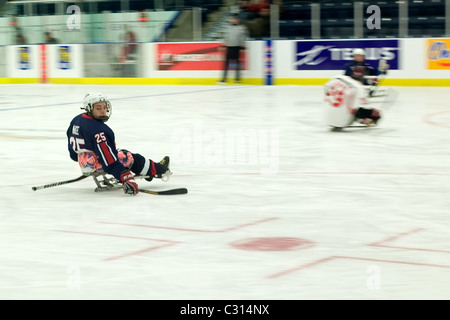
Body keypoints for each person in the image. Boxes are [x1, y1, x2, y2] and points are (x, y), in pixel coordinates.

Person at [66, 93, 171, 195]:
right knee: (130, 157)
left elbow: (72, 152)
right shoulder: (99, 131)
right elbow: (109, 162)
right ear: (89, 108)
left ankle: (148, 171)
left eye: (104, 107)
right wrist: (125, 177)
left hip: (83, 161)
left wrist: (81, 159)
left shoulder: (77, 120)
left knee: (118, 153)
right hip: (97, 163)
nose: (103, 111)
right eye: (98, 108)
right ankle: (159, 169)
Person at [218, 14, 249, 84]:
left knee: (237, 63)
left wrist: (242, 47)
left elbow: (243, 38)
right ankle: (224, 79)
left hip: (237, 47)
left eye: (235, 19)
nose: (233, 20)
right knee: (226, 63)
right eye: (232, 19)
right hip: (229, 47)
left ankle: (237, 79)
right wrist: (223, 46)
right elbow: (225, 37)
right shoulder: (227, 28)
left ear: (238, 20)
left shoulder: (241, 28)